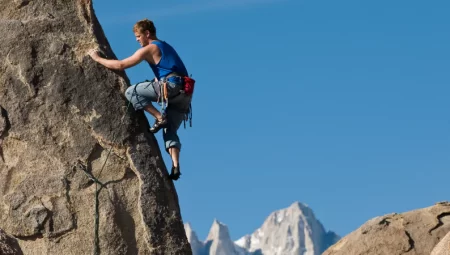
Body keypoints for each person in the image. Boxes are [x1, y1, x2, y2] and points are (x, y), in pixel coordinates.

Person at [88, 18, 192, 181]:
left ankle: (159, 117)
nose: (137, 40)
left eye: (138, 36)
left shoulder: (150, 48)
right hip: (184, 94)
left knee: (132, 92)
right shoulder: (166, 46)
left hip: (170, 87)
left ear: (147, 33)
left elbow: (121, 64)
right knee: (169, 130)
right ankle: (175, 165)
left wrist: (97, 58)